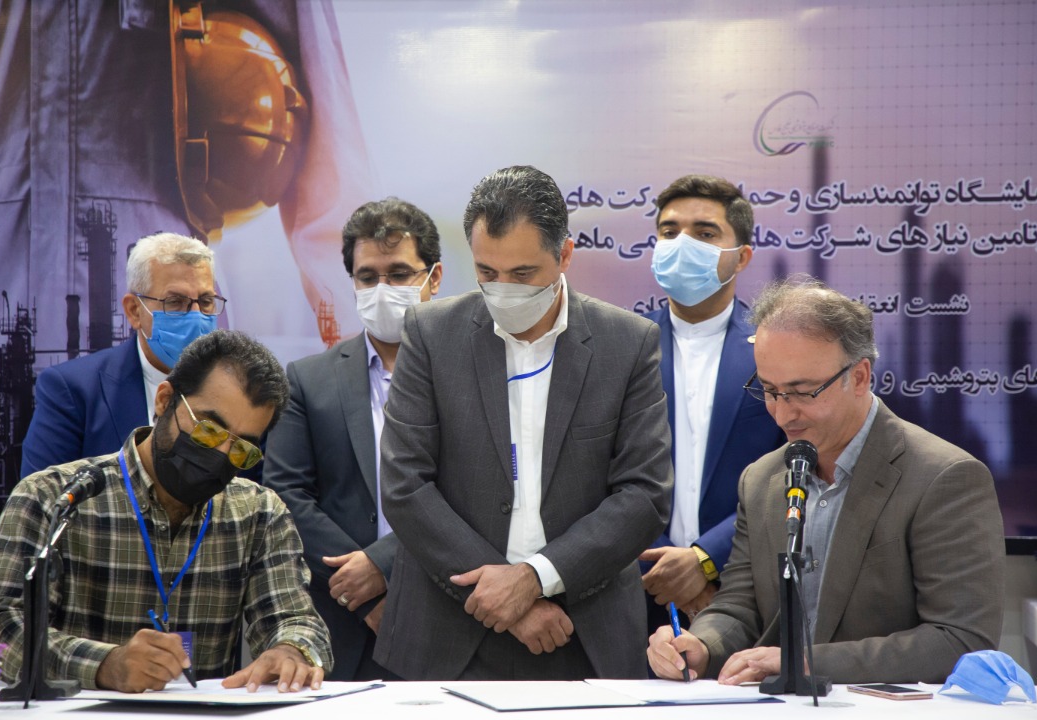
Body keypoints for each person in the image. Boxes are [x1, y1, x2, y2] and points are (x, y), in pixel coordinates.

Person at [375, 165, 673, 680]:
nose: (503, 290)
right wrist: (502, 597)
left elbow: (643, 495)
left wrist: (535, 578)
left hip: (582, 631)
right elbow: (405, 485)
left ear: (565, 255)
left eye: (522, 274)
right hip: (449, 634)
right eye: (487, 272)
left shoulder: (628, 343)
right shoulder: (430, 333)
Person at [647, 276, 1005, 684]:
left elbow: (960, 640)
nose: (783, 414)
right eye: (769, 390)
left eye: (803, 392)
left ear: (860, 377)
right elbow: (740, 606)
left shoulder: (945, 478)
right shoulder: (761, 480)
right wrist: (702, 644)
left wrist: (805, 663)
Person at [0, 330, 331, 693]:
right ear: (164, 400)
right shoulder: (56, 497)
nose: (221, 454)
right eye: (209, 430)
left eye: (242, 449)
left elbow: (296, 619)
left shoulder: (258, 513)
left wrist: (291, 651)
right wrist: (106, 665)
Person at [263, 197, 443, 680]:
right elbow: (286, 495)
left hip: (444, 617)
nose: (382, 290)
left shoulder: (470, 377)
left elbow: (473, 494)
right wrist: (358, 589)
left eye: (399, 274)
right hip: (339, 625)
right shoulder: (307, 380)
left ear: (434, 278)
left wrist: (382, 565)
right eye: (367, 277)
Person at [638, 176, 785, 626]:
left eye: (704, 233)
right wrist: (663, 567)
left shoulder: (776, 351)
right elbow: (599, 474)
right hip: (638, 589)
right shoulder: (621, 347)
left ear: (741, 257)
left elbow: (798, 470)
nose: (682, 244)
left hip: (745, 591)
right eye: (669, 232)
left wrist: (704, 560)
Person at [21, 232, 222, 478]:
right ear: (134, 310)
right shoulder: (74, 392)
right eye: (175, 302)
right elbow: (43, 497)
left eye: (206, 301)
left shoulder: (240, 392)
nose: (195, 316)